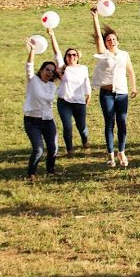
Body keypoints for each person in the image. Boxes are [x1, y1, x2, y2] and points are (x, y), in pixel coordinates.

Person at [91, 7, 137, 168]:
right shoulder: (103, 53)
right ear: (105, 43)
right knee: (109, 122)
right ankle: (111, 154)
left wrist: (134, 87)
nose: (112, 41)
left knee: (122, 122)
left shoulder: (124, 54)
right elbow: (97, 36)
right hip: (107, 94)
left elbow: (130, 70)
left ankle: (121, 151)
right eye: (108, 40)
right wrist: (95, 18)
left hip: (122, 93)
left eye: (114, 39)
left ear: (117, 40)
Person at [47, 28, 90, 155]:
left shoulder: (83, 68)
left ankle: (85, 139)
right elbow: (56, 52)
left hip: (79, 101)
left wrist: (89, 94)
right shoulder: (62, 68)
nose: (71, 57)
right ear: (66, 58)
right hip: (64, 102)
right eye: (69, 55)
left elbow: (86, 81)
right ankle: (69, 148)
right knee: (68, 126)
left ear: (78, 57)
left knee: (81, 126)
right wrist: (52, 35)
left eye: (74, 55)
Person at [22, 38, 60, 180]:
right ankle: (31, 173)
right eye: (47, 69)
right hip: (32, 121)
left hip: (48, 121)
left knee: (53, 148)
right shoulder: (33, 80)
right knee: (38, 149)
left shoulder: (52, 86)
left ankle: (51, 171)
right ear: (41, 70)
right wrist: (32, 50)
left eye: (52, 71)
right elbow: (29, 66)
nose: (49, 72)